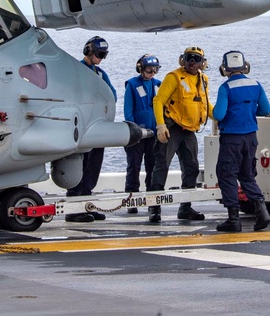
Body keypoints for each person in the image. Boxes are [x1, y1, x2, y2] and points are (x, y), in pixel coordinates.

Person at [149, 46, 212, 223]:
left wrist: (222, 118)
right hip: (172, 128)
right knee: (161, 166)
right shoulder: (173, 77)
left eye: (196, 59)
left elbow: (206, 106)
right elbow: (158, 100)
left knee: (191, 168)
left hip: (189, 131)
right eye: (189, 58)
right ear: (182, 60)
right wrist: (161, 126)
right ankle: (154, 208)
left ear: (202, 63)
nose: (192, 61)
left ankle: (185, 207)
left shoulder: (203, 80)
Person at [212, 50, 270, 232]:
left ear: (225, 68)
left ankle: (233, 219)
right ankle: (262, 211)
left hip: (232, 139)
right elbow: (265, 110)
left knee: (227, 175)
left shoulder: (225, 88)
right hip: (251, 137)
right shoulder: (256, 85)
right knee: (247, 175)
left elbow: (218, 114)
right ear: (245, 66)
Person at [65, 36, 117, 223]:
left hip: (97, 127)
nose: (101, 58)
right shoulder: (76, 71)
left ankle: (86, 203)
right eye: (98, 54)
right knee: (78, 166)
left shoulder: (101, 74)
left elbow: (112, 95)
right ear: (88, 51)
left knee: (93, 167)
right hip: (81, 128)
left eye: (104, 54)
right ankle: (73, 207)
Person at [123, 54, 161, 214]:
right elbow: (128, 111)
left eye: (155, 70)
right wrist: (135, 131)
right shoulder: (132, 84)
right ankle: (132, 200)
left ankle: (153, 202)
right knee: (134, 166)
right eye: (148, 70)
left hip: (154, 135)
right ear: (141, 69)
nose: (151, 73)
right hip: (137, 135)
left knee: (153, 167)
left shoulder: (158, 84)